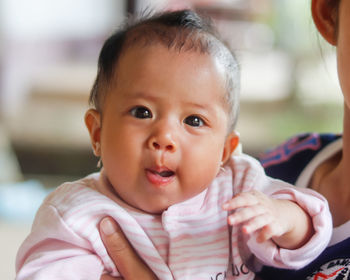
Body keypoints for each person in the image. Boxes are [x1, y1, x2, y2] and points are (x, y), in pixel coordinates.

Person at [15, 10, 332, 280]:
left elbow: (307, 231)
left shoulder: (238, 187)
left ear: (224, 151)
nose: (164, 138)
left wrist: (283, 218)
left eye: (194, 121)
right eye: (142, 112)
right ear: (97, 133)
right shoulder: (75, 213)